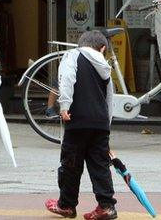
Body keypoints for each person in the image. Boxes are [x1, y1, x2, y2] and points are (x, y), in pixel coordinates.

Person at [45, 30, 117, 220]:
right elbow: (110, 98)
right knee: (100, 165)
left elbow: (67, 79)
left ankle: (66, 205)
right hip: (100, 123)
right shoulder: (105, 66)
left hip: (77, 120)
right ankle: (107, 205)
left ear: (81, 45)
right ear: (102, 48)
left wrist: (64, 105)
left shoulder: (73, 55)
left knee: (71, 165)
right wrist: (106, 125)